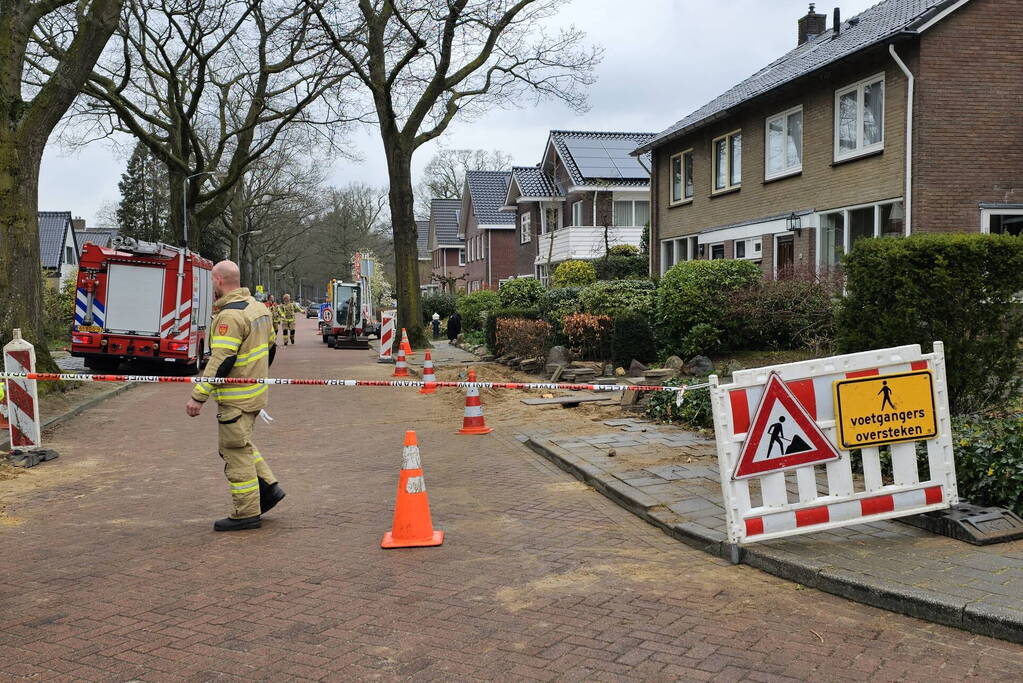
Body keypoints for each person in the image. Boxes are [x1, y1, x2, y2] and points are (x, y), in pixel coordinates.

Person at [185, 261, 285, 532]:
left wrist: (198, 396)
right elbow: (271, 347)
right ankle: (269, 490)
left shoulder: (230, 316)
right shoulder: (258, 308)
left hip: (236, 399)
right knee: (242, 444)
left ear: (218, 280)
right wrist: (257, 376)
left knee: (234, 452)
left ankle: (246, 512)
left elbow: (222, 360)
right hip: (255, 394)